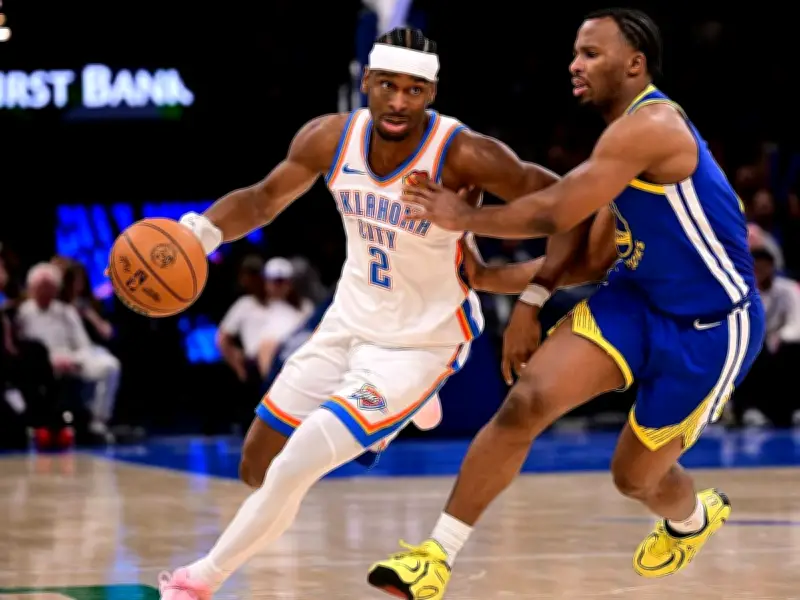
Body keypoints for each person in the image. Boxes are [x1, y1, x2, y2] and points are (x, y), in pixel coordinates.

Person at [157, 26, 609, 600]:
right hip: (348, 320)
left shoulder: (464, 153)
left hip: (421, 341)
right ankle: (407, 408)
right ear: (367, 81)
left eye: (415, 90)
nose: (399, 102)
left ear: (431, 93)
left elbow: (566, 207)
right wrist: (197, 233)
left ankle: (198, 582)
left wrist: (535, 295)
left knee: (298, 463)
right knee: (257, 466)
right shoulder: (329, 138)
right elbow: (263, 199)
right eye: (388, 86)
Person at [368, 8, 766, 598]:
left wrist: (463, 216)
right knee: (525, 403)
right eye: (576, 53)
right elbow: (589, 260)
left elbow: (556, 211)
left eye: (591, 54)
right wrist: (493, 281)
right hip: (634, 300)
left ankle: (692, 518)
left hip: (711, 329)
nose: (575, 65)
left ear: (634, 64)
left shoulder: (653, 126)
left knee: (633, 478)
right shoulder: (618, 141)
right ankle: (434, 557)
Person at [17, 262, 121, 442]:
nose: (46, 293)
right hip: (42, 364)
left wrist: (74, 360)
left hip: (72, 359)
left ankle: (98, 421)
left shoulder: (66, 311)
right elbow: (24, 348)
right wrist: (52, 360)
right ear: (32, 288)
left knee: (110, 366)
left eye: (50, 288)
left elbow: (82, 344)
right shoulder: (23, 314)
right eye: (42, 287)